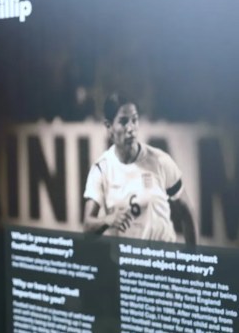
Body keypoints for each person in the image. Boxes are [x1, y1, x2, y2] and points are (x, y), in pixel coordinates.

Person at [82, 92, 197, 245]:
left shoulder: (160, 161)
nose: (131, 128)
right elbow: (87, 228)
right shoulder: (101, 169)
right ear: (109, 127)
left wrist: (193, 260)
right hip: (127, 265)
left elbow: (186, 211)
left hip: (163, 263)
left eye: (134, 120)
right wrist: (108, 220)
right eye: (123, 121)